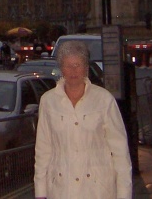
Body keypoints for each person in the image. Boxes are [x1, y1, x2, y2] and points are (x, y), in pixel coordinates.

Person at [34, 39, 131, 199]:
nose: (73, 71)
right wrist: (40, 192)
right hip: (61, 189)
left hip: (97, 190)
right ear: (61, 68)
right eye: (68, 65)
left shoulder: (104, 99)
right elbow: (43, 150)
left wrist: (124, 194)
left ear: (86, 68)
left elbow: (120, 152)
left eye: (77, 65)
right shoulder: (48, 101)